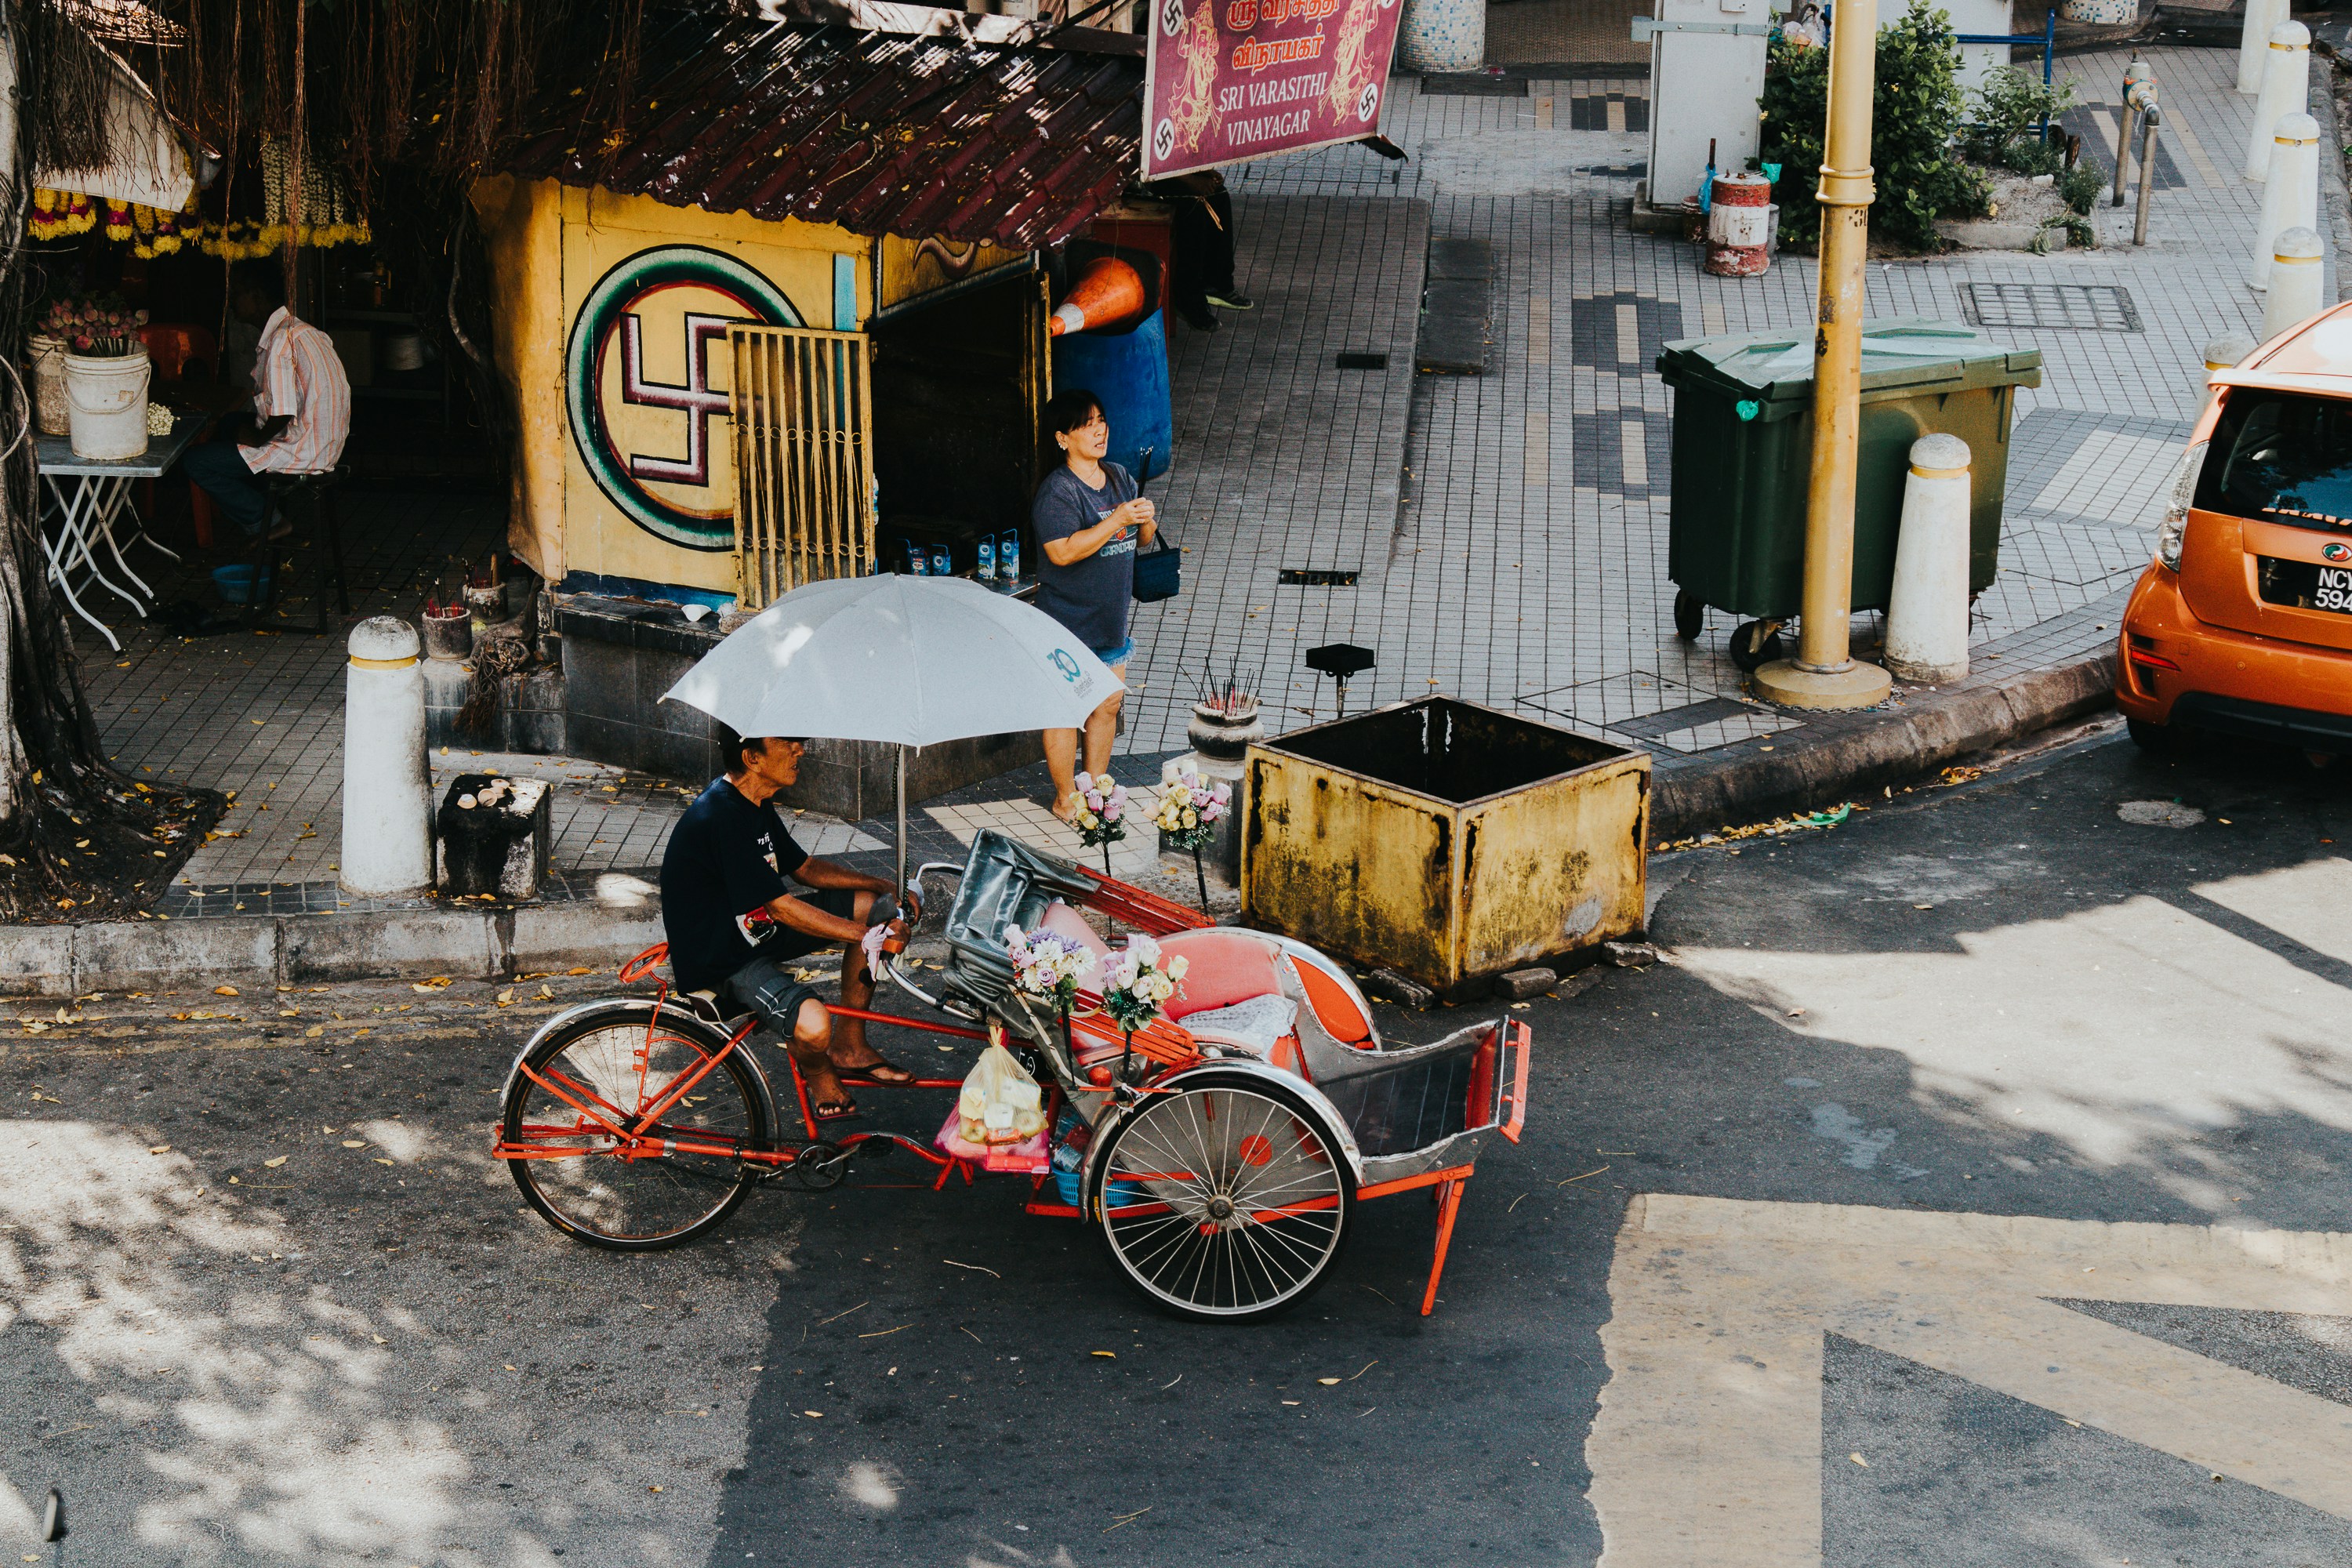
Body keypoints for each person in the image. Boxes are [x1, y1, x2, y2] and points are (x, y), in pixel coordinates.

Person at [659, 730, 920, 1122]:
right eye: (787, 743)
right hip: (724, 956)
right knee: (815, 1025)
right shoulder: (720, 816)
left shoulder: (755, 801)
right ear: (753, 758)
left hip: (756, 929)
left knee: (870, 906)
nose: (800, 749)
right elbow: (781, 907)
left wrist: (882, 886)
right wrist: (868, 937)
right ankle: (817, 1071)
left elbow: (805, 869)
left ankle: (850, 1046)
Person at [1033, 388, 1156, 822]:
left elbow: (1140, 540)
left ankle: (1096, 789)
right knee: (1067, 710)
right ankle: (1066, 797)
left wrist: (1143, 518)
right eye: (1087, 424)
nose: (1099, 429)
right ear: (1063, 438)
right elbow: (1062, 552)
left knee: (1107, 707)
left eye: (1100, 420)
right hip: (1066, 622)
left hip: (1110, 621)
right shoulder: (1058, 492)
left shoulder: (1121, 476)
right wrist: (1117, 519)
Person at [182, 263, 352, 543]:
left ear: (257, 297)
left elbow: (282, 413)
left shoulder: (281, 343)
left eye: (237, 295)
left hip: (303, 451)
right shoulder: (302, 330)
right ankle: (249, 499)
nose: (232, 304)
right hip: (326, 444)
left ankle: (266, 519)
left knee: (196, 462)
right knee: (230, 424)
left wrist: (257, 438)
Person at [1154, 171, 1254, 332]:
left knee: (1219, 194)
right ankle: (1188, 299)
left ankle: (1217, 282)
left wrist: (1203, 173)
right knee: (1194, 207)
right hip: (1144, 183)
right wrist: (1190, 179)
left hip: (1170, 174)